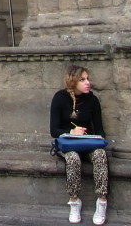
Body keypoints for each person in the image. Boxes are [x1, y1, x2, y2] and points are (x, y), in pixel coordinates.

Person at [50, 64, 109, 225]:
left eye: (88, 79)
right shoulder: (60, 98)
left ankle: (102, 201)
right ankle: (74, 202)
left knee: (100, 154)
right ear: (73, 81)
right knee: (73, 158)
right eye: (82, 80)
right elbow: (54, 130)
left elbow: (100, 130)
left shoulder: (93, 100)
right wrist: (72, 132)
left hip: (88, 143)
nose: (87, 82)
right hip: (68, 144)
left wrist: (94, 138)